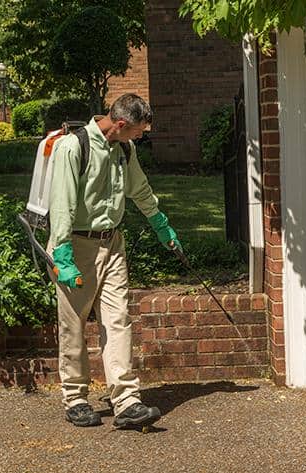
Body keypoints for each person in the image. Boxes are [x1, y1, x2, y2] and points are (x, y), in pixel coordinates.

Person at [46, 93, 180, 429]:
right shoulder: (72, 148)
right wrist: (62, 253)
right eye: (137, 132)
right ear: (120, 124)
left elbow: (140, 189)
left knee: (118, 320)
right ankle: (76, 398)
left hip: (113, 243)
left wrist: (161, 224)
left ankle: (126, 401)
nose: (140, 137)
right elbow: (61, 204)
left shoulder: (124, 149)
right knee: (73, 324)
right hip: (75, 245)